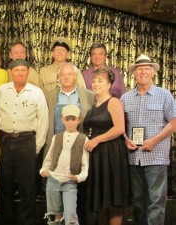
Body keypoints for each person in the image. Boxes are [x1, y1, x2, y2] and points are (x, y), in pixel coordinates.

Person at [121, 54, 176, 225]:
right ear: (134, 73)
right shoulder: (125, 98)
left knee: (156, 201)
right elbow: (121, 126)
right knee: (138, 202)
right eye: (139, 69)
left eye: (146, 68)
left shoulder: (164, 95)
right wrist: (125, 139)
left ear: (153, 72)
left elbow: (174, 122)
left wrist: (155, 140)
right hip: (134, 158)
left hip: (156, 156)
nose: (142, 72)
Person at [0, 58, 49, 225]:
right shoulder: (1, 91)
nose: (20, 73)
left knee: (28, 187)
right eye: (16, 70)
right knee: (5, 185)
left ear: (28, 72)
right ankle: (6, 220)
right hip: (4, 140)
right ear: (11, 72)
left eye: (23, 70)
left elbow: (43, 121)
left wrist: (37, 147)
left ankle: (27, 221)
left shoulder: (36, 92)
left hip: (27, 142)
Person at [44, 62, 95, 225]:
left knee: (78, 194)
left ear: (75, 76)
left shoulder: (87, 95)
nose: (66, 77)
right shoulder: (50, 95)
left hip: (80, 148)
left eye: (69, 74)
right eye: (63, 75)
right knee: (54, 196)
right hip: (57, 147)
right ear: (59, 78)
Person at [83, 67, 130, 225]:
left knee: (113, 198)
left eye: (100, 81)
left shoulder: (114, 102)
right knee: (100, 200)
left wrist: (97, 140)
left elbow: (119, 128)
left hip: (111, 154)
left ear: (109, 85)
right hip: (96, 157)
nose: (95, 83)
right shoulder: (93, 106)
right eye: (94, 81)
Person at [40, 104, 89, 225]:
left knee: (70, 214)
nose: (70, 122)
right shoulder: (57, 137)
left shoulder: (83, 139)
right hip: (53, 180)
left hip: (69, 182)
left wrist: (79, 177)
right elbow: (49, 158)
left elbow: (85, 164)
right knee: (54, 214)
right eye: (67, 119)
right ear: (62, 120)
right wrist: (44, 170)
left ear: (79, 120)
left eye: (73, 119)